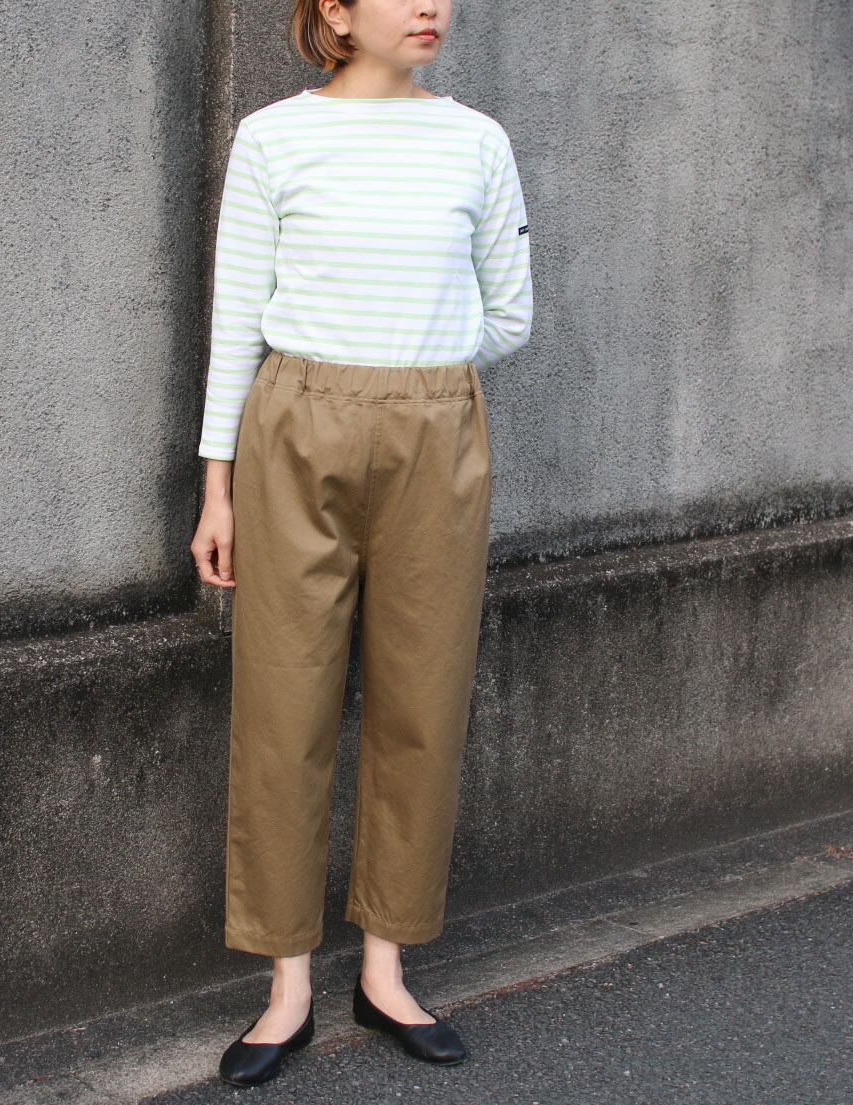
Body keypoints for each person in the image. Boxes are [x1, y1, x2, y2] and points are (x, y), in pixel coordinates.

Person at [189, 0, 533, 1086]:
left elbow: (510, 312)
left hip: (436, 426)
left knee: (420, 698)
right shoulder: (274, 137)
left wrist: (418, 360)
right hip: (293, 425)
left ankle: (385, 971)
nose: (429, 5)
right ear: (334, 11)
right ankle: (286, 985)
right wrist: (216, 487)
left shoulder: (475, 140)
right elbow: (236, 318)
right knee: (282, 702)